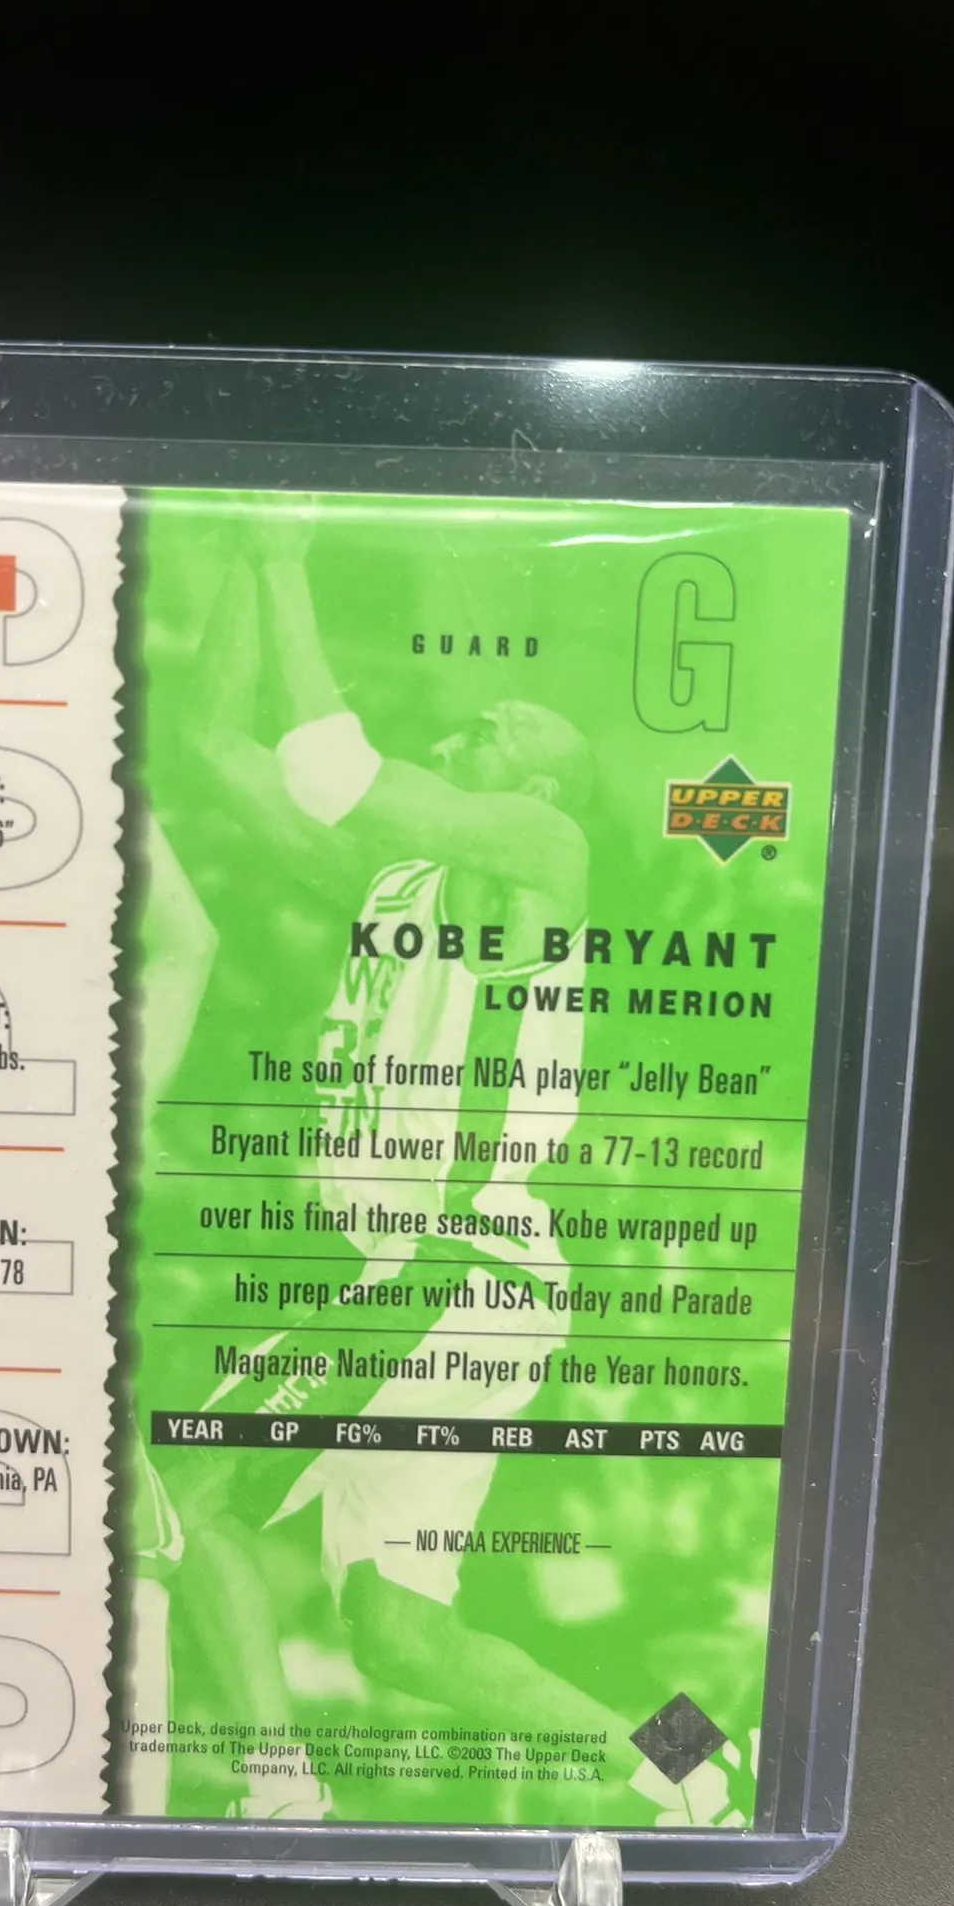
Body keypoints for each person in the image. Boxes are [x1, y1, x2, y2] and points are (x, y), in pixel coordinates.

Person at [156, 501, 627, 1818]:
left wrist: (284, 555)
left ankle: (278, 1791)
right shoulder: (399, 882)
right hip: (444, 1281)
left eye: (517, 725)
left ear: (543, 788)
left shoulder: (546, 856)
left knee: (182, 1491)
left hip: (453, 1269)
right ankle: (698, 1766)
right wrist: (249, 563)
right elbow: (216, 748)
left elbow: (334, 770)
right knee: (401, 1637)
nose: (484, 717)